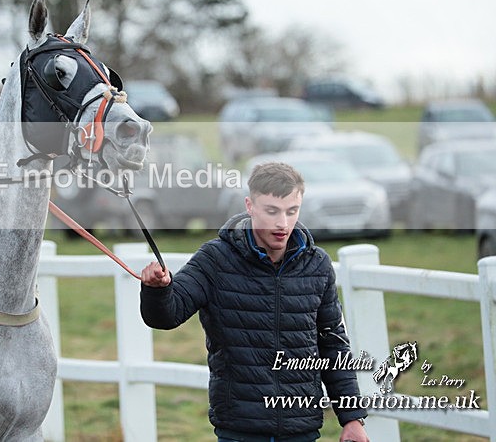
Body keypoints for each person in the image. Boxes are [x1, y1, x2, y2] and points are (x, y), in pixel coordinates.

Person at [140, 162, 370, 442]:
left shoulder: (317, 264)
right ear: (250, 205)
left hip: (302, 428)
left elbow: (333, 344)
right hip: (239, 428)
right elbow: (166, 316)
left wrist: (352, 418)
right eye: (272, 211)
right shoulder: (215, 259)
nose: (282, 223)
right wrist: (157, 290)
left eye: (291, 211)